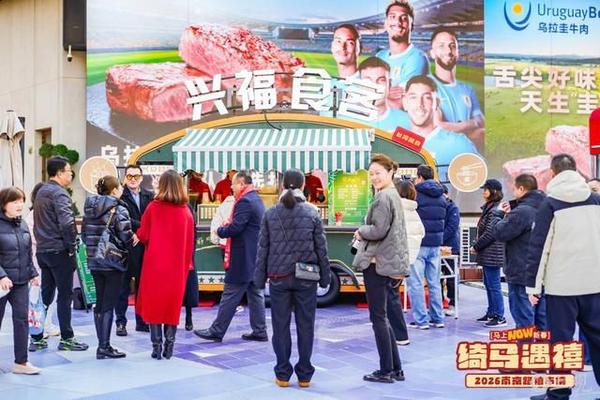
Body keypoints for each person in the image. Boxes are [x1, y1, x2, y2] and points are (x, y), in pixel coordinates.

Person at [526, 154, 600, 400]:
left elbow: (539, 247)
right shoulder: (596, 201)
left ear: (553, 172)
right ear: (577, 171)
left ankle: (559, 393)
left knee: (561, 343)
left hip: (562, 288)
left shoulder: (550, 204)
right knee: (598, 339)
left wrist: (533, 286)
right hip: (595, 284)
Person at [254, 169, 331, 388]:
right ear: (303, 186)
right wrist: (325, 277)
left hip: (278, 277)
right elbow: (321, 248)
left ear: (282, 185)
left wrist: (259, 279)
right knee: (306, 326)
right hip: (307, 277)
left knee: (280, 326)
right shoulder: (312, 212)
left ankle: (282, 373)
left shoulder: (271, 213)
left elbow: (263, 249)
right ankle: (305, 375)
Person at [352, 153, 410, 384]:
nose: (374, 177)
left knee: (378, 317)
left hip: (377, 263)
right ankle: (396, 369)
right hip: (388, 263)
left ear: (390, 172)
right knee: (383, 317)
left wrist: (361, 231)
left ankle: (386, 370)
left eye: (378, 173)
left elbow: (378, 230)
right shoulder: (393, 194)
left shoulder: (383, 197)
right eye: (371, 174)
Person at [194, 171, 267, 343]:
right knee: (255, 294)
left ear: (241, 184)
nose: (231, 187)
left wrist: (220, 230)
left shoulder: (245, 201)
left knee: (230, 294)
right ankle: (260, 330)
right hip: (254, 256)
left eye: (233, 184)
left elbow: (236, 228)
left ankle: (217, 330)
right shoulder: (256, 199)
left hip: (242, 258)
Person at [30, 156, 88, 351]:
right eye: (69, 171)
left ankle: (37, 337)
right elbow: (66, 223)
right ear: (60, 172)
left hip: (43, 250)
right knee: (65, 295)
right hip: (59, 251)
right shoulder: (59, 193)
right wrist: (71, 247)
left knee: (46, 295)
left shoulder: (41, 191)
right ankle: (67, 339)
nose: (71, 174)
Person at [135, 170, 195, 360]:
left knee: (154, 305)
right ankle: (169, 346)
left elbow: (143, 235)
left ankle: (156, 347)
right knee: (171, 306)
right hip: (177, 268)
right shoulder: (186, 212)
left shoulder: (153, 208)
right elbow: (190, 244)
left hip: (154, 265)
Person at [82, 176, 134, 359]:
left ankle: (101, 344)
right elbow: (126, 236)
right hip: (113, 262)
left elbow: (84, 235)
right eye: (119, 187)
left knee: (100, 302)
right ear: (114, 190)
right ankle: (104, 346)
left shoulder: (89, 208)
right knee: (109, 304)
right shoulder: (119, 209)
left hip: (94, 261)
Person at [493, 174, 546, 331]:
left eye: (514, 189)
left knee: (524, 321)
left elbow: (499, 233)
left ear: (522, 188)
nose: (513, 192)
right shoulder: (546, 208)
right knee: (542, 320)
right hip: (543, 273)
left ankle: (525, 346)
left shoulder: (522, 212)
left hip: (521, 272)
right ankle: (542, 346)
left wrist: (498, 215)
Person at [403, 75, 479, 182]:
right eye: (413, 97)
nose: (420, 104)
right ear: (405, 103)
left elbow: (479, 179)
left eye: (427, 97)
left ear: (436, 103)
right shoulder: (393, 142)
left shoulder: (459, 143)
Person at [0, 187, 42, 374]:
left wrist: (33, 273)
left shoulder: (23, 224)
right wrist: (1, 275)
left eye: (21, 201)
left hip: (20, 282)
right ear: (4, 204)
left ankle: (21, 362)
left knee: (22, 320)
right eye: (15, 201)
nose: (19, 205)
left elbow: (27, 253)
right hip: (2, 283)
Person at [429, 27, 485, 151]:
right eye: (441, 46)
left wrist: (454, 127)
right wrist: (470, 125)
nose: (448, 51)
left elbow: (481, 121)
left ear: (458, 52)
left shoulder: (468, 90)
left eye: (452, 46)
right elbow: (434, 127)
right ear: (432, 53)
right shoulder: (426, 86)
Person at [115, 164, 154, 336]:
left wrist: (141, 233)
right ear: (125, 178)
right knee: (122, 287)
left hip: (143, 246)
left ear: (141, 177)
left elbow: (153, 217)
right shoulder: (119, 195)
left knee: (143, 287)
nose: (132, 179)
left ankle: (142, 321)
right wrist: (140, 229)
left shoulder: (149, 195)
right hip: (124, 245)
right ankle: (120, 323)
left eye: (136, 176)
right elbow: (122, 218)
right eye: (129, 176)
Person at [406, 165, 446, 330]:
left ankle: (421, 320)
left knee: (416, 283)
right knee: (434, 283)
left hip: (418, 244)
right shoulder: (442, 196)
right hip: (435, 245)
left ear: (420, 177)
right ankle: (438, 318)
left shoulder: (417, 195)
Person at [376, 0, 429, 106]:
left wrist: (375, 92)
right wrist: (386, 93)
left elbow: (399, 104)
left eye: (404, 18)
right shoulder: (379, 56)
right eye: (392, 17)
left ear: (411, 26)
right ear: (385, 24)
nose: (398, 22)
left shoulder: (417, 58)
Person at [24, 182, 60, 338]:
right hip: (37, 264)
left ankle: (45, 325)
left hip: (43, 261)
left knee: (48, 295)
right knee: (38, 297)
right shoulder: (33, 216)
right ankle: (38, 328)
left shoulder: (40, 214)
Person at [392, 179, 425, 345]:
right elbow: (421, 232)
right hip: (411, 257)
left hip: (394, 259)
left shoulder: (396, 210)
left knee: (390, 298)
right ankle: (418, 322)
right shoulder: (414, 212)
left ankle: (398, 334)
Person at [470, 179, 506, 328]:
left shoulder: (495, 210)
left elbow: (490, 233)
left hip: (493, 253)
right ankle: (492, 312)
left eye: (486, 189)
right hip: (488, 253)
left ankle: (499, 316)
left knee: (494, 285)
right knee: (489, 284)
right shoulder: (490, 208)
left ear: (494, 191)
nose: (483, 192)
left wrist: (476, 246)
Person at [441, 184, 460, 316]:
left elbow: (452, 227)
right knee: (437, 278)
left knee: (451, 277)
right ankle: (440, 303)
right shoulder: (438, 207)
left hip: (451, 247)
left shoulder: (453, 208)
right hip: (438, 248)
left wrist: (439, 239)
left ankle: (453, 303)